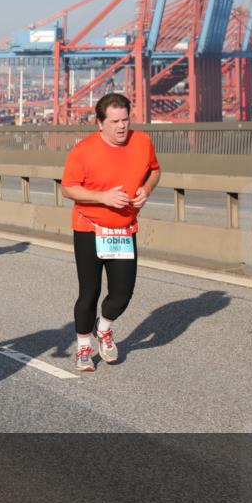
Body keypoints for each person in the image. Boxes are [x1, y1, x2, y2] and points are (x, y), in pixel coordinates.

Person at [60, 93, 161, 372]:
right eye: (114, 121)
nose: (121, 127)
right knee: (89, 292)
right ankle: (83, 348)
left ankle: (103, 327)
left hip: (124, 230)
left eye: (125, 120)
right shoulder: (83, 151)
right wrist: (102, 197)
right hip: (89, 228)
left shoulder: (142, 142)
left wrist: (147, 189)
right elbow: (68, 188)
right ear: (99, 123)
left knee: (122, 294)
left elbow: (154, 170)